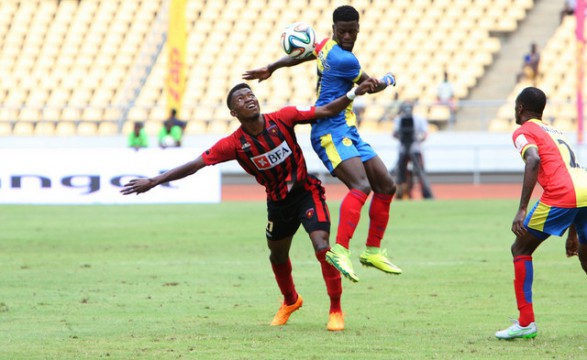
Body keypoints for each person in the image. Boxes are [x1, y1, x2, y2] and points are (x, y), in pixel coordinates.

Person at [121, 80, 379, 331]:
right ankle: (291, 301)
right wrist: (155, 180)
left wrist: (354, 92)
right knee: (277, 256)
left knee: (322, 246)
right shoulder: (233, 144)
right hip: (277, 203)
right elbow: (195, 165)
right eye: (241, 99)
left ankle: (335, 310)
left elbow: (325, 111)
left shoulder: (284, 117)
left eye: (250, 94)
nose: (249, 99)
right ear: (234, 112)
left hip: (306, 193)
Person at [243, 5, 401, 282]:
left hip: (347, 129)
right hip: (329, 131)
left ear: (358, 29)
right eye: (344, 31)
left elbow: (301, 55)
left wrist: (272, 66)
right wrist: (388, 79)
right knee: (361, 186)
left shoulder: (325, 46)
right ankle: (340, 250)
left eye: (353, 31)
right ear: (334, 29)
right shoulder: (344, 60)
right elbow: (370, 85)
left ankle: (373, 250)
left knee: (387, 185)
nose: (349, 36)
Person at [495, 87, 587, 340]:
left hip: (561, 195)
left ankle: (526, 323)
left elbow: (533, 160)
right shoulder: (555, 131)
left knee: (520, 250)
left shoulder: (523, 131)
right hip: (584, 189)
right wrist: (573, 233)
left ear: (520, 108)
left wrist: (522, 208)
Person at [392, 101, 433, 200]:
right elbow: (395, 134)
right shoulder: (398, 120)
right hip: (404, 149)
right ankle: (401, 194)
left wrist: (417, 138)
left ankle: (426, 194)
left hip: (415, 149)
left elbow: (424, 134)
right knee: (401, 173)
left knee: (420, 172)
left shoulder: (418, 119)